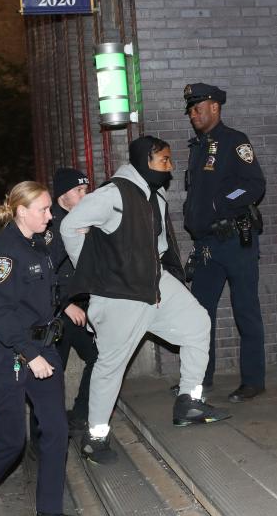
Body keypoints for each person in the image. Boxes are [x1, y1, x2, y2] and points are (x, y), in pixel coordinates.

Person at [61, 136, 230, 465]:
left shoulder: (155, 193)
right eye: (163, 160)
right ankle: (95, 438)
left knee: (197, 323)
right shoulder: (113, 194)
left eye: (170, 160)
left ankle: (189, 401)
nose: (170, 166)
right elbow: (70, 226)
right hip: (121, 293)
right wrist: (97, 273)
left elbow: (159, 242)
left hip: (154, 283)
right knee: (111, 366)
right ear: (144, 160)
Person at [0, 182, 82, 516]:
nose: (50, 216)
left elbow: (48, 286)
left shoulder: (41, 241)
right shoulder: (3, 254)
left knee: (56, 428)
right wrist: (29, 355)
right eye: (44, 210)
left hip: (41, 347)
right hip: (9, 355)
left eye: (50, 209)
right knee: (11, 441)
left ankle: (49, 512)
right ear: (20, 212)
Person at [182, 83, 268, 403]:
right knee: (200, 314)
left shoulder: (235, 141)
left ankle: (253, 380)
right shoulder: (197, 147)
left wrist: (221, 204)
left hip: (235, 238)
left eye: (198, 108)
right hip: (206, 243)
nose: (193, 114)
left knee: (245, 309)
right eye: (190, 110)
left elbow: (254, 185)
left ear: (215, 107)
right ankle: (199, 378)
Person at [38, 167, 97, 434]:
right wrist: (64, 304)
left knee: (98, 359)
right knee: (50, 373)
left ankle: (80, 413)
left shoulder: (83, 218)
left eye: (86, 190)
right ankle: (42, 436)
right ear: (63, 195)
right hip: (59, 312)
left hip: (80, 307)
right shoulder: (51, 226)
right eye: (79, 191)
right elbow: (45, 272)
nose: (86, 195)